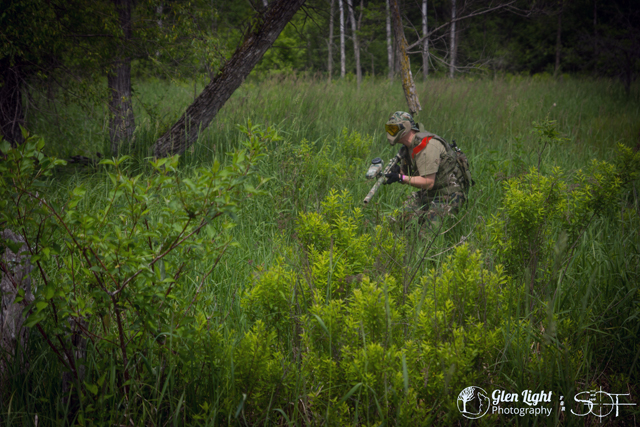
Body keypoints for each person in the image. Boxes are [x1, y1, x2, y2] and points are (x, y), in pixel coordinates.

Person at [382, 111, 471, 222]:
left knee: (426, 235)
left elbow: (428, 182)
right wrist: (397, 173)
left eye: (393, 129)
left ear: (405, 128)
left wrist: (400, 178)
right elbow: (412, 173)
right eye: (389, 129)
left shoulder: (427, 145)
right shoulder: (408, 147)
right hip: (429, 194)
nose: (390, 133)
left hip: (448, 195)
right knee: (398, 222)